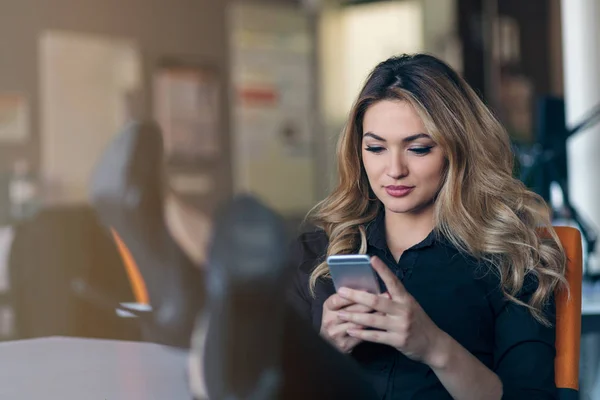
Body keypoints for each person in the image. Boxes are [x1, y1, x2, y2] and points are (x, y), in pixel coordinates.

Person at [284, 53, 567, 399]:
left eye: (418, 149)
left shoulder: (513, 263)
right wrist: (323, 353)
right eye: (375, 148)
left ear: (457, 149)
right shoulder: (315, 256)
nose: (394, 169)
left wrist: (433, 346)